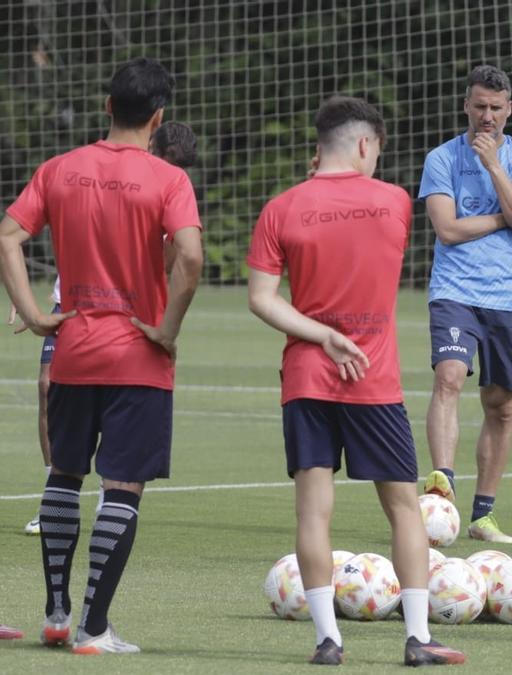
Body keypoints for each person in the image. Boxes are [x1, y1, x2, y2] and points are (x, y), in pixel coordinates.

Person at [247, 95, 465, 667]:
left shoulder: (281, 208)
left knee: (314, 513)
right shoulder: (394, 202)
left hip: (306, 376)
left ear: (317, 147)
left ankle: (327, 640)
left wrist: (321, 335)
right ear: (367, 144)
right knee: (402, 509)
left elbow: (261, 300)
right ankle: (417, 639)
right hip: (374, 380)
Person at [0, 57, 204, 654]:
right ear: (159, 117)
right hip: (138, 356)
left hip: (72, 350)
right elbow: (190, 258)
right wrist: (166, 328)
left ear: (108, 106)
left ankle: (57, 613)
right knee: (123, 485)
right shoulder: (168, 179)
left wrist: (37, 314)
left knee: (64, 474)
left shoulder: (61, 168)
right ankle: (94, 626)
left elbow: (9, 238)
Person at [16, 120, 197, 537]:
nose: (174, 171)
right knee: (46, 387)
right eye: (169, 161)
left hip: (133, 315)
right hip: (74, 302)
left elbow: (178, 262)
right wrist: (24, 300)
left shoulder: (167, 187)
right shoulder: (86, 169)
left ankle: (112, 499)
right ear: (151, 138)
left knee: (121, 425)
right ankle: (57, 493)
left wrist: (166, 323)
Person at [417, 64, 512, 544]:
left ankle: (483, 516)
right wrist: (503, 217)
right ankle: (442, 483)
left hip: (510, 297)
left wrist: (494, 166)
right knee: (449, 376)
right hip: (455, 291)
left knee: (501, 405)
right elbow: (448, 229)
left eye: (496, 107)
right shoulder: (441, 159)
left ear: (509, 108)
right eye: (479, 107)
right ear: (466, 106)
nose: (487, 116)